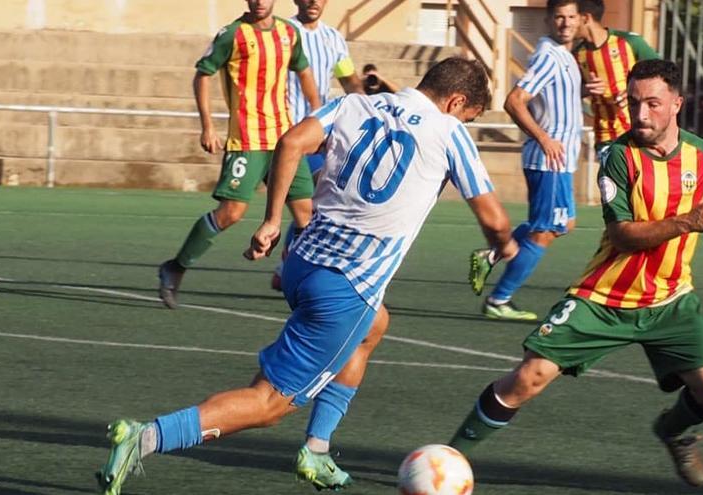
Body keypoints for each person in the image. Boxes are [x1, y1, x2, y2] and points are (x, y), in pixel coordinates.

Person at [95, 57, 518, 495]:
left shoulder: (354, 103)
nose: (465, 123)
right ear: (456, 101)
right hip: (346, 287)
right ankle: (145, 437)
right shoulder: (448, 132)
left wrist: (273, 219)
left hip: (301, 263)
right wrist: (505, 246)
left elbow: (292, 140)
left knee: (375, 324)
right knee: (269, 403)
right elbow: (496, 220)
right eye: (469, 116)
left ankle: (316, 449)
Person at [448, 59, 703, 487]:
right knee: (530, 377)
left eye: (652, 104)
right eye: (634, 103)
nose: (640, 114)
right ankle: (450, 457)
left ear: (677, 103)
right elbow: (622, 236)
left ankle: (671, 431)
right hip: (603, 299)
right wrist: (689, 222)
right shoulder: (619, 157)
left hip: (671, 302)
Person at [156, 0, 321, 309]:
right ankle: (175, 267)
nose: (259, 1)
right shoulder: (232, 34)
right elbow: (202, 75)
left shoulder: (288, 32)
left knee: (305, 216)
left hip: (284, 140)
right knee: (231, 213)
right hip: (246, 139)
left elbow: (304, 72)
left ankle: (309, 287)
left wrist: (317, 116)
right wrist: (207, 125)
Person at [468, 0, 584, 321]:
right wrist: (543, 138)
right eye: (559, 17)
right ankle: (499, 299)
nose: (565, 23)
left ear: (580, 19)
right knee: (544, 231)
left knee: (563, 224)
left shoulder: (565, 56)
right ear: (548, 20)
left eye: (571, 17)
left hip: (561, 162)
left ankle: (491, 254)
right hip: (550, 162)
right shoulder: (548, 56)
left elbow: (555, 100)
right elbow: (515, 101)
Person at [270, 0, 366, 292]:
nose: (313, 2)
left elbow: (348, 78)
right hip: (287, 132)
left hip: (318, 134)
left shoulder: (333, 38)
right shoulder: (283, 32)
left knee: (315, 204)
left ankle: (287, 266)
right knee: (313, 203)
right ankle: (291, 266)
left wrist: (366, 107)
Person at [573, 0, 659, 149]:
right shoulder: (577, 54)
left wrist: (634, 92)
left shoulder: (630, 42)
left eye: (572, 17)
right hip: (605, 137)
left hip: (638, 132)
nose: (568, 24)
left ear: (585, 18)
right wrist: (586, 90)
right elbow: (570, 92)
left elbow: (663, 76)